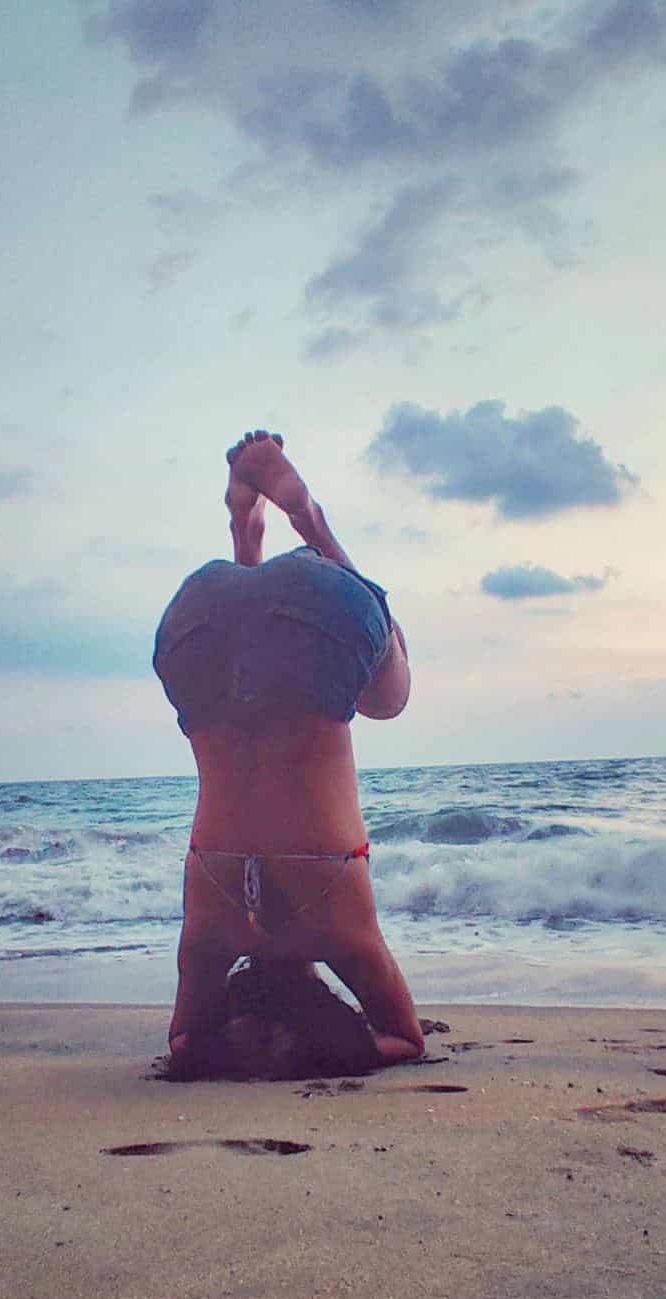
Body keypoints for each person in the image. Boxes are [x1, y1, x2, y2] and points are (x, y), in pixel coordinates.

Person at [153, 429, 424, 1077]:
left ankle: (303, 521)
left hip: (314, 604)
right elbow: (184, 1041)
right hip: (196, 616)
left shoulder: (343, 940)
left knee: (387, 694)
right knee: (251, 694)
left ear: (320, 997)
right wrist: (246, 1050)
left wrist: (315, 1051)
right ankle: (253, 534)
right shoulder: (209, 941)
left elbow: (404, 1040)